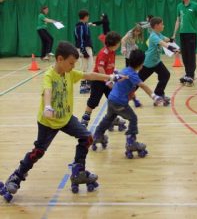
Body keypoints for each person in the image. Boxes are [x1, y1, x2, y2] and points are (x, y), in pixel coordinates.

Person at [0, 41, 123, 202]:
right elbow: (47, 90)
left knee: (87, 138)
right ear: (59, 59)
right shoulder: (49, 75)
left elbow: (90, 75)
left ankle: (79, 171)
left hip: (66, 119)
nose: (73, 67)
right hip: (48, 122)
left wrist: (110, 76)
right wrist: (48, 105)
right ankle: (16, 176)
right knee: (38, 151)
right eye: (71, 63)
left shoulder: (70, 73)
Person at [92, 49, 162, 159]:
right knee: (133, 118)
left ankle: (97, 135)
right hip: (120, 103)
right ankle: (131, 142)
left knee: (108, 118)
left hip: (111, 100)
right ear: (141, 64)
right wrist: (154, 96)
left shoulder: (125, 70)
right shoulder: (133, 75)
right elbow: (143, 85)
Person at [81, 31, 122, 128]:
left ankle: (112, 118)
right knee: (94, 101)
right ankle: (85, 119)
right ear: (115, 44)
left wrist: (116, 71)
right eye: (119, 42)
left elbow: (110, 66)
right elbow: (100, 68)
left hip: (107, 80)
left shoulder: (112, 52)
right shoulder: (104, 53)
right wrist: (107, 81)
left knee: (113, 99)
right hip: (98, 80)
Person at [138, 17, 179, 105]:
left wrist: (171, 40)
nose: (163, 26)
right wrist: (172, 48)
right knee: (137, 82)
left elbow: (165, 39)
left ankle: (158, 94)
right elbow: (162, 43)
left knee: (165, 75)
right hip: (148, 64)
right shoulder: (153, 36)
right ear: (156, 26)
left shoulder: (158, 34)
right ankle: (125, 95)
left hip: (156, 62)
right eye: (162, 24)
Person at [121, 24, 144, 107]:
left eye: (139, 32)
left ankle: (134, 100)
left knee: (131, 80)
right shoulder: (130, 33)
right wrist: (123, 47)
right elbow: (123, 39)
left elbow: (132, 43)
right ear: (134, 30)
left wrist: (135, 47)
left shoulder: (136, 35)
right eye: (137, 31)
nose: (138, 33)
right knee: (130, 78)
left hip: (131, 52)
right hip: (128, 54)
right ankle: (131, 99)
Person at [74, 9, 93, 93]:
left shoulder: (84, 25)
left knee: (89, 67)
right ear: (85, 17)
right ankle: (83, 86)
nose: (88, 18)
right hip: (84, 49)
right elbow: (81, 40)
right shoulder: (80, 27)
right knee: (84, 68)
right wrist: (84, 52)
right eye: (88, 16)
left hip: (87, 48)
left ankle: (87, 85)